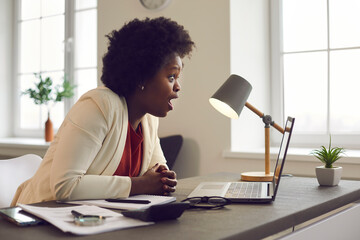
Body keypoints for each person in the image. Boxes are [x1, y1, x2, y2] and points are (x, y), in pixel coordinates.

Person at [11, 17, 195, 206]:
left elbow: (157, 174)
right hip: (38, 218)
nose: (178, 86)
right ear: (142, 77)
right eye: (171, 77)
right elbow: (65, 186)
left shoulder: (148, 120)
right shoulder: (99, 105)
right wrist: (139, 184)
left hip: (93, 221)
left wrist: (163, 179)